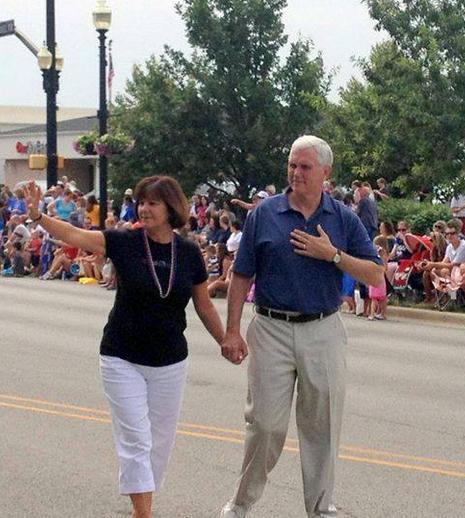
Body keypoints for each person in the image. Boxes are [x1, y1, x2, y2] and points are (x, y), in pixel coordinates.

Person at [25, 175, 224, 518]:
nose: (144, 209)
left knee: (159, 445)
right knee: (136, 439)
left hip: (170, 361)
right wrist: (38, 217)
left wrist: (227, 340)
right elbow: (75, 235)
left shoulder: (189, 253)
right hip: (122, 357)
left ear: (171, 207)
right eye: (141, 202)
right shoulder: (124, 242)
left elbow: (204, 305)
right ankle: (143, 513)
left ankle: (141, 506)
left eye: (152, 203)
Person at [220, 135, 384, 518]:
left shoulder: (342, 218)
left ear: (325, 173)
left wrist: (333, 255)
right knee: (263, 424)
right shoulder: (265, 213)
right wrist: (231, 330)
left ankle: (320, 507)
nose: (295, 173)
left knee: (322, 425)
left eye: (304, 166)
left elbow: (376, 272)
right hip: (272, 327)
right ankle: (241, 503)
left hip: (323, 329)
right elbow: (241, 275)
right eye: (292, 165)